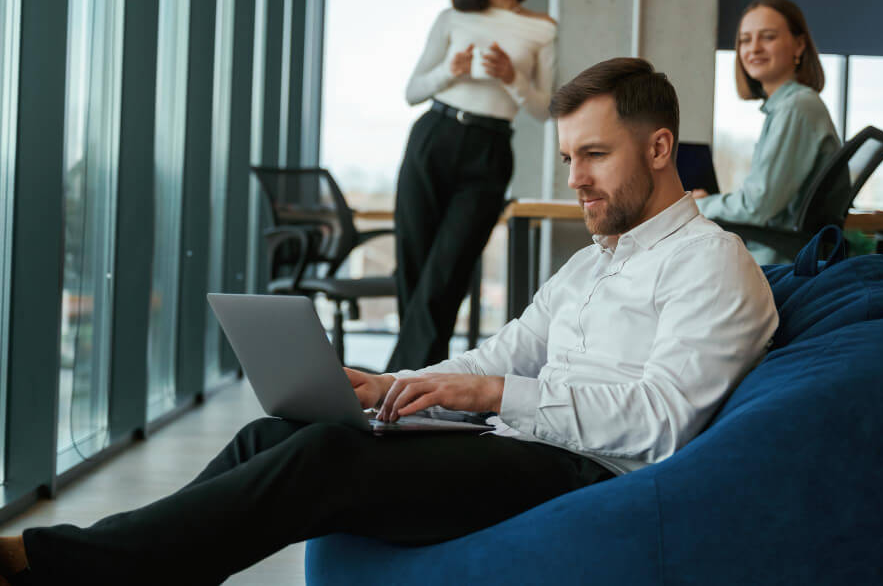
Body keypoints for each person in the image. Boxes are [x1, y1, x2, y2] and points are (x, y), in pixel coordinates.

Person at [0, 58, 777, 586]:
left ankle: (52, 563)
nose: (574, 179)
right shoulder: (593, 262)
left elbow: (663, 422)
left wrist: (490, 395)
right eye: (569, 156)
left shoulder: (711, 264)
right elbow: (507, 349)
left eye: (595, 155)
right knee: (276, 434)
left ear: (661, 147)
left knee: (331, 456)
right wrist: (394, 385)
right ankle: (111, 567)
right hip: (521, 445)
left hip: (589, 475)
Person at [389, 0, 557, 372]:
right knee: (415, 267)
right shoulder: (451, 19)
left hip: (490, 148)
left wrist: (512, 78)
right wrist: (450, 69)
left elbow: (545, 109)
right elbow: (413, 91)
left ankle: (394, 385)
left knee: (447, 272)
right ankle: (417, 386)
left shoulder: (542, 29)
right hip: (434, 136)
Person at [691, 0, 846, 264]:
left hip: (775, 263)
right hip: (777, 257)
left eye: (768, 37)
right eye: (745, 40)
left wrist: (699, 205)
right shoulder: (789, 106)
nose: (754, 49)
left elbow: (758, 206)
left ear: (799, 45)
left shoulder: (796, 108)